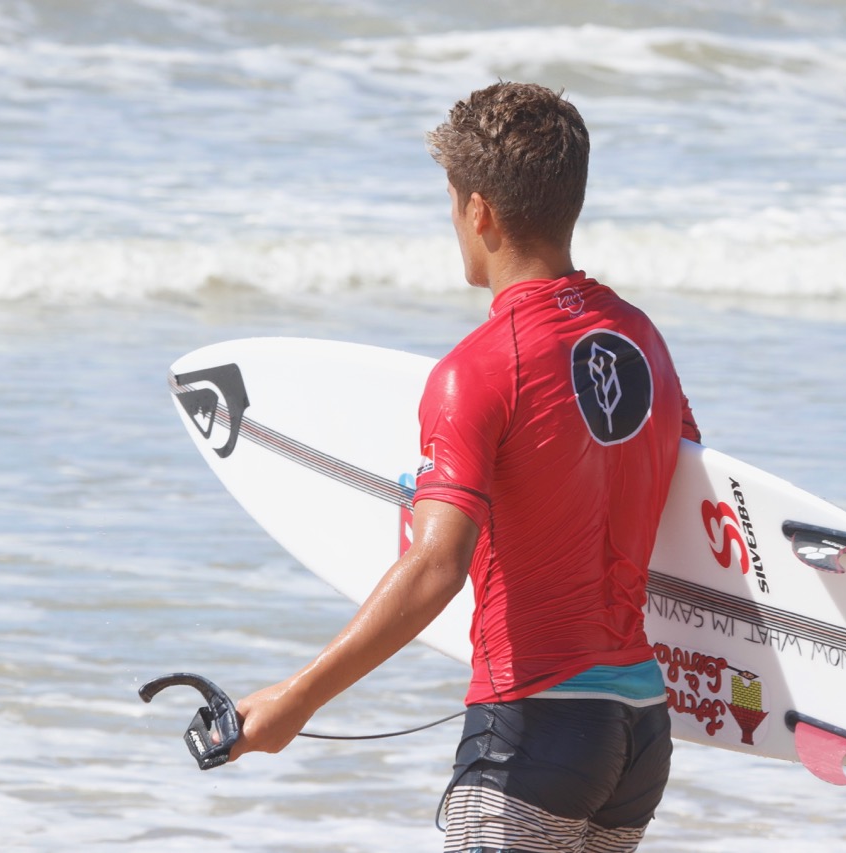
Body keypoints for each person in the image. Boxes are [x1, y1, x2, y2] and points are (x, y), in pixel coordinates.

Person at [227, 81, 699, 853]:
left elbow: (437, 565)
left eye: (450, 202)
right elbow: (678, 486)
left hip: (535, 727)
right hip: (642, 731)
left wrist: (296, 698)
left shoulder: (477, 370)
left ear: (478, 211)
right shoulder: (642, 341)